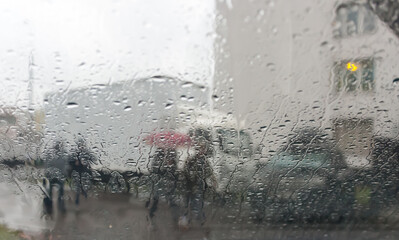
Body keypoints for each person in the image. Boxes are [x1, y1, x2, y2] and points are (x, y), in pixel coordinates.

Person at [181, 128, 217, 227]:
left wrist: (213, 180)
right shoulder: (191, 160)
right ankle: (187, 220)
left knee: (198, 202)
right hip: (190, 184)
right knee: (188, 202)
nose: (202, 151)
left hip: (200, 185)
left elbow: (209, 172)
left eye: (203, 149)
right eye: (200, 148)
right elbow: (185, 170)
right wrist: (190, 177)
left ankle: (201, 219)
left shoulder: (205, 161)